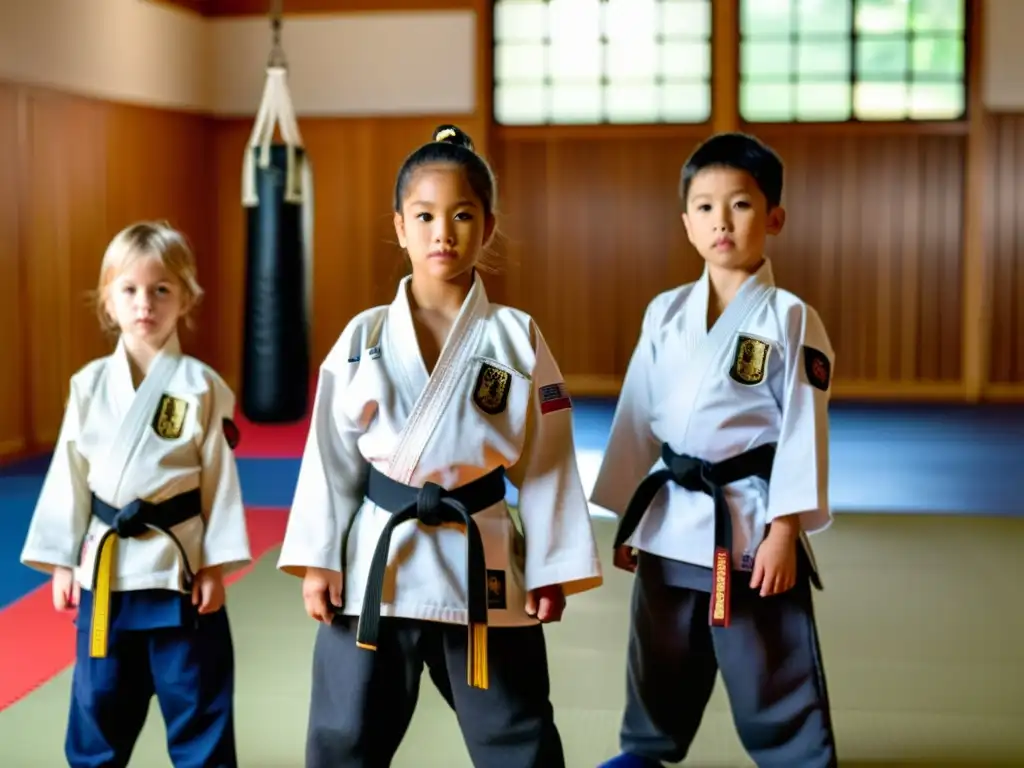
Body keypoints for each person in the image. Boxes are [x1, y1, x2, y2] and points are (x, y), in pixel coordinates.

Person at [277, 124, 603, 768]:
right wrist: (320, 559)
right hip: (378, 562)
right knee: (344, 734)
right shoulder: (364, 336)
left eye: (462, 215)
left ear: (488, 226)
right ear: (399, 225)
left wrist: (551, 566)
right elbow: (329, 458)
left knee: (517, 731)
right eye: (424, 215)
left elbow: (548, 462)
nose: (442, 233)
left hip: (477, 557)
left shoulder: (515, 337)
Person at [590, 132, 838, 768]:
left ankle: (797, 758)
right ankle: (644, 750)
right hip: (671, 514)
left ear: (774, 217)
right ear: (686, 222)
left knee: (766, 652)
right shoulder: (665, 311)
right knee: (659, 645)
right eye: (704, 206)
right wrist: (628, 516)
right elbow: (637, 417)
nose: (720, 221)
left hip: (749, 519)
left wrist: (786, 530)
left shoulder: (790, 317)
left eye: (741, 205)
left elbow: (803, 430)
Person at [20, 221, 252, 768]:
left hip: (179, 572)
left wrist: (215, 567)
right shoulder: (89, 384)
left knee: (197, 702)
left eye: (160, 289)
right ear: (108, 300)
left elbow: (219, 479)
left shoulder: (202, 385)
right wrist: (60, 561)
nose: (144, 302)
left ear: (186, 298)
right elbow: (70, 475)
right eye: (129, 289)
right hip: (106, 573)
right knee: (98, 704)